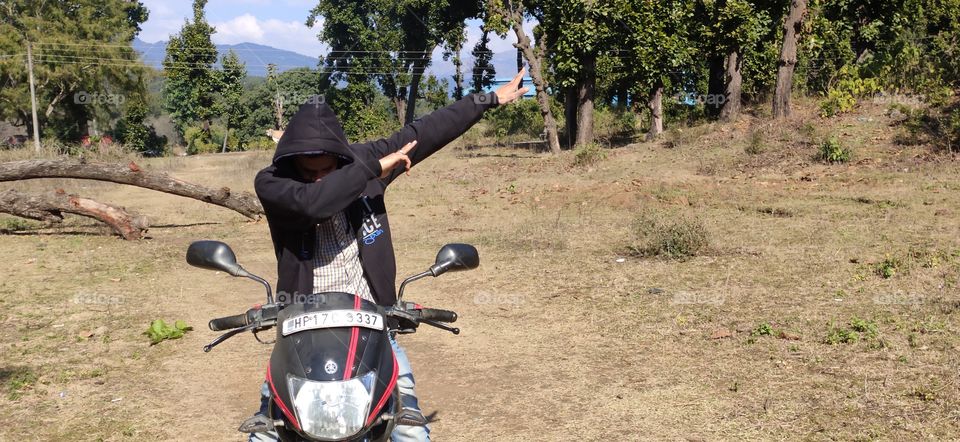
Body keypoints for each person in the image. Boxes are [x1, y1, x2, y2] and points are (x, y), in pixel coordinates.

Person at [249, 70, 529, 441]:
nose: (319, 178)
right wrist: (373, 169)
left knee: (410, 429)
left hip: (373, 322)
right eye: (308, 170)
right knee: (267, 428)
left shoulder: (362, 164)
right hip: (302, 328)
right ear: (292, 160)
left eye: (327, 168)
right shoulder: (273, 183)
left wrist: (486, 100)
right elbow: (313, 204)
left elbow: (424, 133)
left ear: (340, 157)